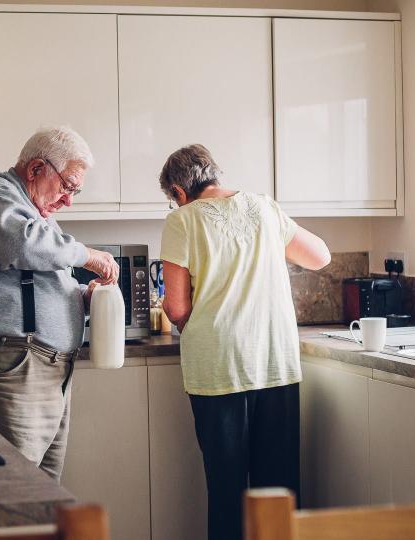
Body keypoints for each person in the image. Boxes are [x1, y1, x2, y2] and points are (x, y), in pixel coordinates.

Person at [158, 144, 331, 540]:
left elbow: (179, 307)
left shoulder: (182, 221)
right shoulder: (265, 207)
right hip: (275, 362)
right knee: (279, 490)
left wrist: (173, 310)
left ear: (179, 193)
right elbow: (320, 255)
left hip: (218, 369)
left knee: (227, 489)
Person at [0, 126, 119, 482]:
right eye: (67, 186)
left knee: (41, 491)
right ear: (36, 169)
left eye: (75, 191)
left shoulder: (33, 211)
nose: (69, 200)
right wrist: (87, 255)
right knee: (6, 489)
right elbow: (22, 247)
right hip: (6, 368)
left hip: (40, 372)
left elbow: (32, 280)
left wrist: (80, 296)